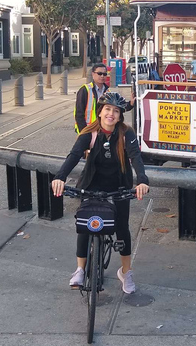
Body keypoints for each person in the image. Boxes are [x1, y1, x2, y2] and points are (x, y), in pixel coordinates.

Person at [51, 92, 150, 294]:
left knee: (122, 228)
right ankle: (80, 269)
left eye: (116, 111)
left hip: (119, 186)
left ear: (121, 115)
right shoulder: (90, 132)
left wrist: (142, 180)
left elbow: (136, 158)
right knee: (86, 226)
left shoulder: (126, 133)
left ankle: (126, 272)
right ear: (100, 112)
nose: (111, 114)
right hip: (92, 184)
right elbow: (74, 155)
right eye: (107, 109)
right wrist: (60, 177)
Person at [75, 63, 133, 133]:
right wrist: (83, 132)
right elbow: (79, 114)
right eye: (99, 73)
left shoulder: (107, 91)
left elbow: (118, 108)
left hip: (102, 130)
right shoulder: (85, 90)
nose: (102, 76)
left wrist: (131, 104)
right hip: (88, 129)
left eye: (105, 74)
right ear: (93, 74)